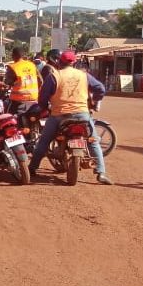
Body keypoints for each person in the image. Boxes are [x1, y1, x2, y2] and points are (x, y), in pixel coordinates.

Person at [29, 50, 112, 185]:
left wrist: (44, 107)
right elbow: (100, 89)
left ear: (60, 61)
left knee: (44, 141)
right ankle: (101, 172)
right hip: (82, 115)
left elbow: (43, 97)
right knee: (93, 142)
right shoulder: (84, 75)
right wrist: (93, 101)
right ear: (74, 63)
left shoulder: (54, 75)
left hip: (59, 116)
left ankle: (32, 168)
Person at [4, 46, 40, 115]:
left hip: (18, 101)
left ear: (14, 55)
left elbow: (7, 82)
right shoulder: (32, 65)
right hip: (34, 99)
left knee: (7, 118)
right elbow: (40, 80)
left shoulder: (13, 67)